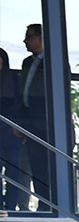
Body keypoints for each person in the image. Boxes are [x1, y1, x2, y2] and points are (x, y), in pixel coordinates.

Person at [17, 24, 50, 210]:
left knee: (49, 170)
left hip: (48, 125)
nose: (25, 41)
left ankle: (51, 207)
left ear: (41, 39)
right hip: (30, 124)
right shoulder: (27, 63)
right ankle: (43, 206)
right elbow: (24, 94)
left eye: (29, 36)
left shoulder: (54, 62)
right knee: (36, 169)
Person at [0, 47, 23, 212]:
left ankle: (11, 205)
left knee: (13, 171)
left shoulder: (14, 79)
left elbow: (20, 104)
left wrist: (18, 125)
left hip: (11, 133)